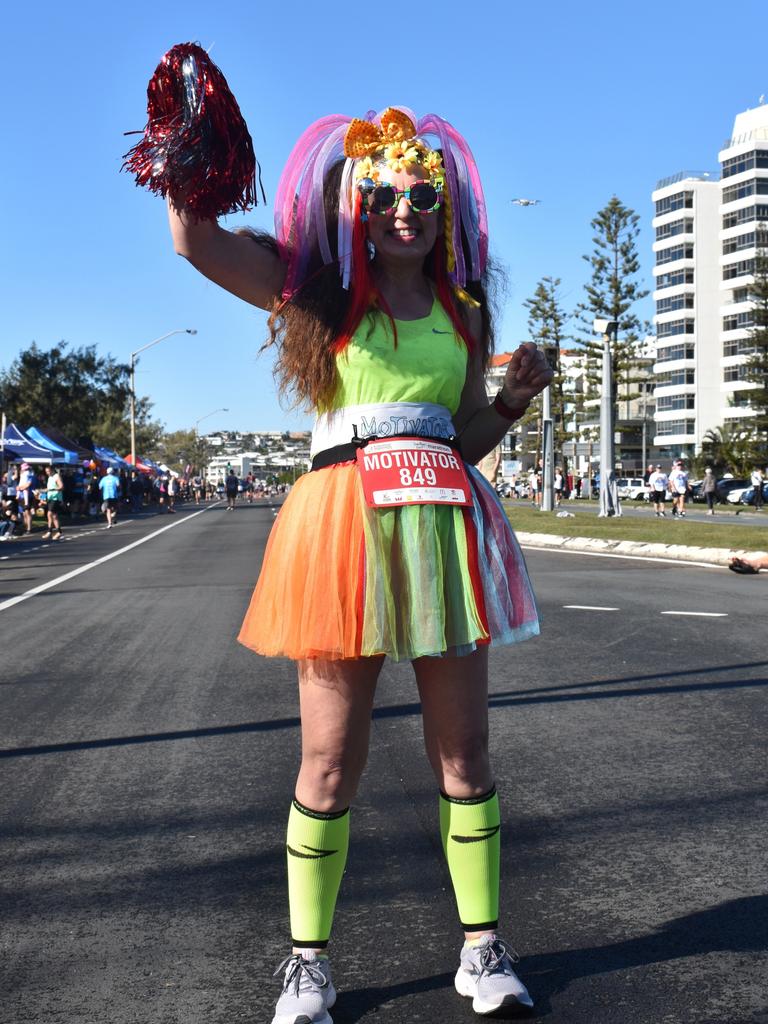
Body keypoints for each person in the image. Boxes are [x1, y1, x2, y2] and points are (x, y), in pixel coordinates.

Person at [163, 95, 551, 1022]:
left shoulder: (463, 313)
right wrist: (184, 162)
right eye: (385, 197)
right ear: (358, 209)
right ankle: (308, 963)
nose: (405, 209)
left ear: (444, 207)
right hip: (341, 530)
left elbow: (458, 435)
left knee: (466, 753)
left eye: (422, 193)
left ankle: (481, 948)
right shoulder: (320, 292)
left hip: (444, 526)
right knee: (329, 760)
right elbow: (195, 244)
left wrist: (512, 402)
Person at [42, 466, 64, 540]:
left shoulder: (56, 476)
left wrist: (52, 489)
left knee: (49, 514)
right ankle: (58, 532)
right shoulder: (49, 478)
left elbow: (61, 486)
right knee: (54, 516)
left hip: (56, 497)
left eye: (48, 471)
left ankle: (49, 531)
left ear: (52, 470)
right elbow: (49, 488)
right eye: (46, 471)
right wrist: (42, 491)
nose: (47, 473)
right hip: (50, 498)